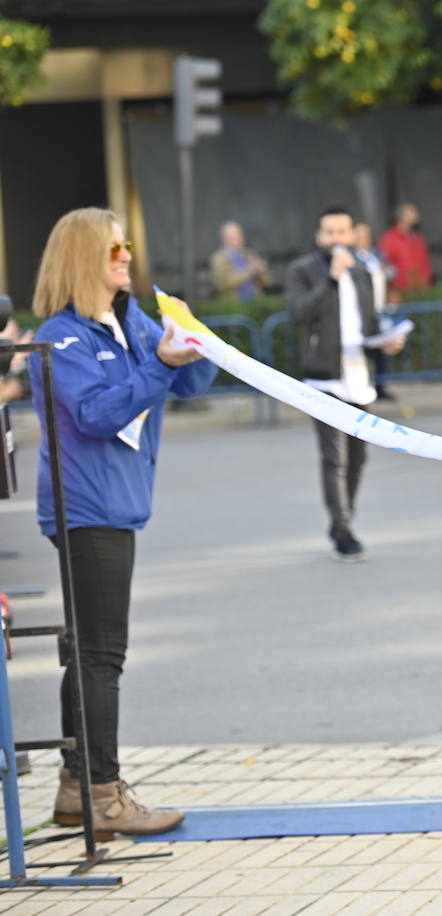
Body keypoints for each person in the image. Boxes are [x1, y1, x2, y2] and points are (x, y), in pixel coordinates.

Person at [29, 207, 216, 837]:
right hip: (86, 508)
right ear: (85, 258)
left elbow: (190, 385)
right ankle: (100, 794)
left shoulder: (126, 320)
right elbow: (97, 413)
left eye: (127, 245)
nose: (126, 256)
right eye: (113, 249)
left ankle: (76, 789)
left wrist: (191, 338)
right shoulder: (62, 335)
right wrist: (160, 364)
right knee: (100, 655)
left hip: (118, 503)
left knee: (90, 653)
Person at [286, 207, 406, 562]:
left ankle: (343, 521)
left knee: (358, 456)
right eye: (329, 232)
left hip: (358, 377)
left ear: (354, 235)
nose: (337, 239)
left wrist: (386, 341)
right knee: (334, 456)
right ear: (318, 236)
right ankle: (342, 530)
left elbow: (367, 324)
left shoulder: (363, 272)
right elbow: (299, 313)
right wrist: (330, 280)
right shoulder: (304, 271)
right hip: (323, 378)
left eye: (343, 232)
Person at [353, 221, 397, 401]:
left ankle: (381, 386)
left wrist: (387, 271)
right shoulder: (351, 258)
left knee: (381, 350)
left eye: (365, 235)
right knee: (362, 351)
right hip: (360, 311)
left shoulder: (376, 255)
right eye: (359, 235)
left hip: (379, 308)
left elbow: (394, 272)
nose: (362, 239)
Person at [378, 202, 433, 303]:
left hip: (420, 291)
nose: (416, 214)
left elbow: (425, 262)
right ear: (402, 217)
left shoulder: (418, 238)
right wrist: (392, 290)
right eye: (411, 212)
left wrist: (425, 282)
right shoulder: (389, 239)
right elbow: (384, 264)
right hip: (399, 294)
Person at [209, 220, 270, 301]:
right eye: (234, 236)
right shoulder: (218, 258)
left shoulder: (249, 253)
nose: (239, 238)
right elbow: (225, 283)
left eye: (240, 234)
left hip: (256, 300)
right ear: (225, 238)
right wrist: (249, 270)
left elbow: (267, 282)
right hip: (234, 304)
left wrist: (261, 271)